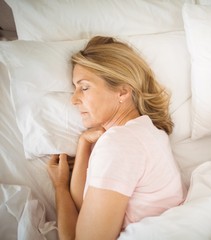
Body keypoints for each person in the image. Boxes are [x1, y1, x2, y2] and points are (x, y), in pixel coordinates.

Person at [47, 36, 185, 239]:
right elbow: (87, 208)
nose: (74, 99)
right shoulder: (147, 130)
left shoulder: (119, 144)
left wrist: (60, 189)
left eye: (84, 87)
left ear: (122, 91)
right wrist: (84, 144)